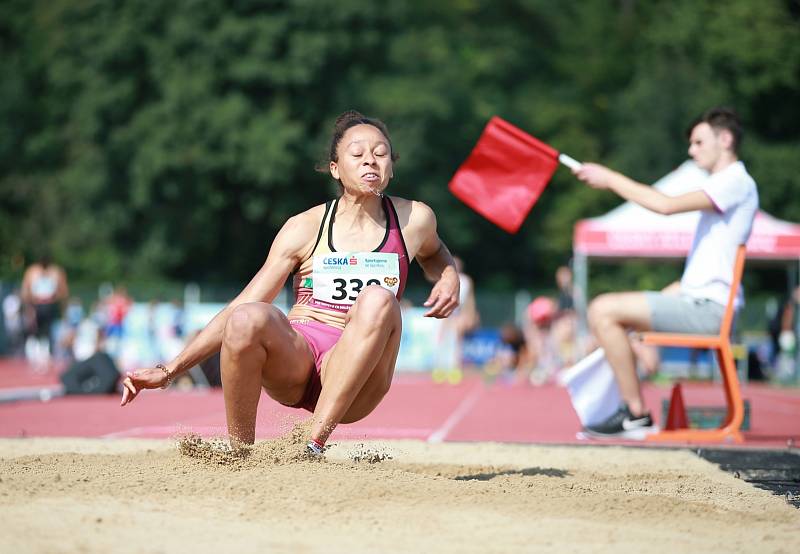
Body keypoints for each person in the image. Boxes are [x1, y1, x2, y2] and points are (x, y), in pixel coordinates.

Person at [120, 110, 460, 455]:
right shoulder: (304, 227)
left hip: (362, 380)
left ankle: (311, 446)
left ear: (392, 165)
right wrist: (169, 370)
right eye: (357, 154)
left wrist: (448, 275)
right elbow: (243, 303)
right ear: (335, 168)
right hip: (297, 364)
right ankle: (240, 454)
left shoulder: (415, 219)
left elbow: (435, 254)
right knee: (246, 318)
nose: (370, 161)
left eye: (381, 153)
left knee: (377, 299)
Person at [573, 107, 758, 438]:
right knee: (610, 314)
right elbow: (699, 280)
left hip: (709, 311)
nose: (691, 150)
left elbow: (665, 206)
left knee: (602, 309)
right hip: (698, 302)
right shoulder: (727, 187)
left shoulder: (735, 181)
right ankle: (630, 405)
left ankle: (635, 413)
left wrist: (610, 179)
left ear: (725, 139)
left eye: (699, 142)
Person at [20, 254, 69, 365]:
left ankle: (47, 354)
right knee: (36, 330)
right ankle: (35, 355)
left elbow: (63, 291)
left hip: (49, 305)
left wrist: (57, 300)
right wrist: (29, 307)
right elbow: (26, 291)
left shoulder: (55, 272)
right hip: (37, 305)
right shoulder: (32, 271)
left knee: (49, 331)